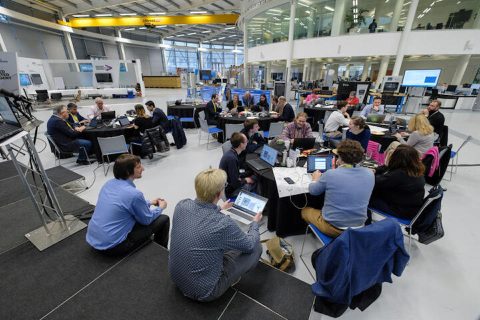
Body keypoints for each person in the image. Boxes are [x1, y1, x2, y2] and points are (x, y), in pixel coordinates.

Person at [169, 168, 262, 302]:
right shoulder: (223, 224)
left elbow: (201, 217)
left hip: (177, 278)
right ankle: (229, 280)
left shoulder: (182, 205)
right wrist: (254, 224)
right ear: (219, 193)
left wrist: (219, 209)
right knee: (256, 247)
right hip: (205, 292)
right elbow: (249, 246)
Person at [86, 154, 170, 255]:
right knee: (164, 219)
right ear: (127, 171)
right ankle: (161, 253)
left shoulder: (108, 184)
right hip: (113, 247)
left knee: (132, 215)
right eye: (138, 167)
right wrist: (161, 207)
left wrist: (149, 202)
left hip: (93, 239)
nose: (143, 169)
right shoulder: (134, 194)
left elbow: (125, 204)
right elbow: (146, 220)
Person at [301, 140, 374, 238]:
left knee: (305, 211)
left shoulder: (331, 174)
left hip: (334, 228)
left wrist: (315, 179)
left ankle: (318, 234)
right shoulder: (370, 174)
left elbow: (313, 191)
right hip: (359, 227)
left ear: (341, 158)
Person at [369, 145, 425, 220]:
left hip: (399, 210)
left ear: (397, 158)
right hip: (410, 208)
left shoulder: (400, 174)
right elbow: (388, 168)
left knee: (364, 196)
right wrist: (376, 170)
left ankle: (365, 223)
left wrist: (369, 173)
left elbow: (374, 181)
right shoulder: (415, 169)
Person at [219, 132, 256, 198]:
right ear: (241, 144)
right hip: (230, 191)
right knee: (256, 182)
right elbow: (235, 184)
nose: (247, 143)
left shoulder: (231, 153)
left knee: (250, 175)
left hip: (229, 183)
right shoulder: (232, 159)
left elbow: (234, 175)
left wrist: (244, 177)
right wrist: (246, 180)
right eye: (246, 141)